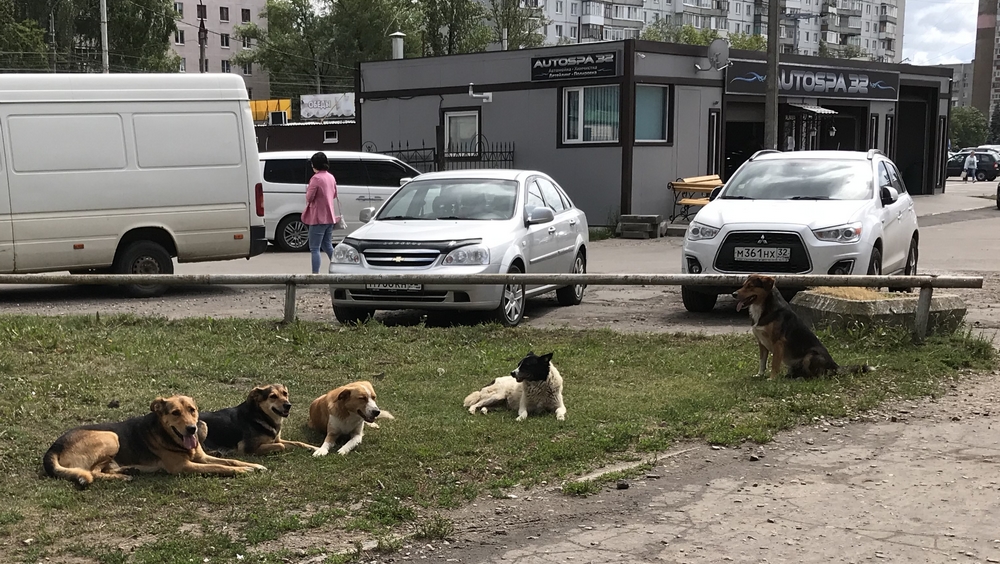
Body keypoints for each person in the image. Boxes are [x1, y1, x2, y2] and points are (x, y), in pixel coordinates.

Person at [302, 152, 338, 274]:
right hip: (330, 217)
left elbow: (309, 197)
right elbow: (334, 195)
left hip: (318, 218)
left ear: (314, 164)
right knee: (328, 245)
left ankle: (315, 274)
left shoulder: (316, 178)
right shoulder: (331, 177)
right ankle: (339, 268)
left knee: (314, 248)